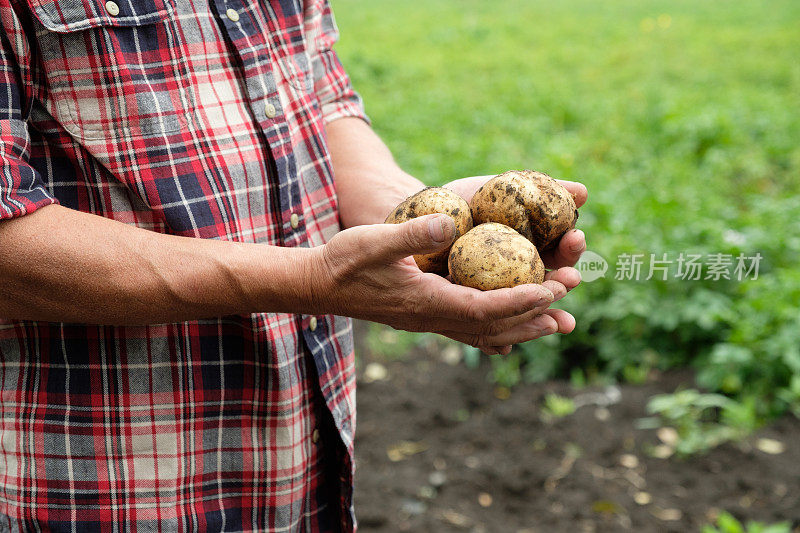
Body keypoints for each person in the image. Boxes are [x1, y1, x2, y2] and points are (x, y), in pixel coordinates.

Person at [0, 0, 587, 530]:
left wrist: (415, 225)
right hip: (103, 484)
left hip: (300, 463)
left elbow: (322, 103)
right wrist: (312, 280)